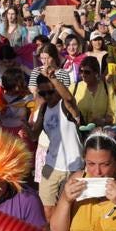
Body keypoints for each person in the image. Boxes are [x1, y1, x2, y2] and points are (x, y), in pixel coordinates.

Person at [30, 68, 85, 221]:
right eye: (42, 94)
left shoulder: (66, 106)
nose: (47, 97)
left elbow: (68, 97)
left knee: (71, 208)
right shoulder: (44, 108)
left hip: (73, 166)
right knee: (46, 207)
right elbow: (35, 135)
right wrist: (26, 129)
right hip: (50, 165)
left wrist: (53, 77)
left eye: (50, 92)